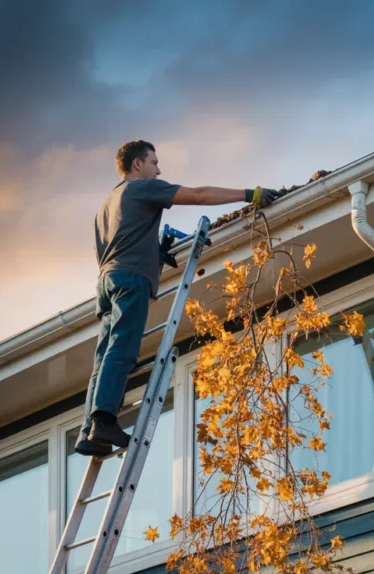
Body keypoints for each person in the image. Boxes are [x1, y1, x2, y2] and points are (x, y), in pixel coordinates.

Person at [74, 140, 280, 456]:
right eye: (154, 162)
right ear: (137, 165)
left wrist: (154, 253)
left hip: (106, 283)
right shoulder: (143, 187)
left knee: (103, 356)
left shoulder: (104, 208)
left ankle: (89, 430)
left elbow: (118, 245)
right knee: (123, 349)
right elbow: (198, 195)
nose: (159, 169)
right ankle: (104, 419)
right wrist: (250, 195)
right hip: (130, 279)